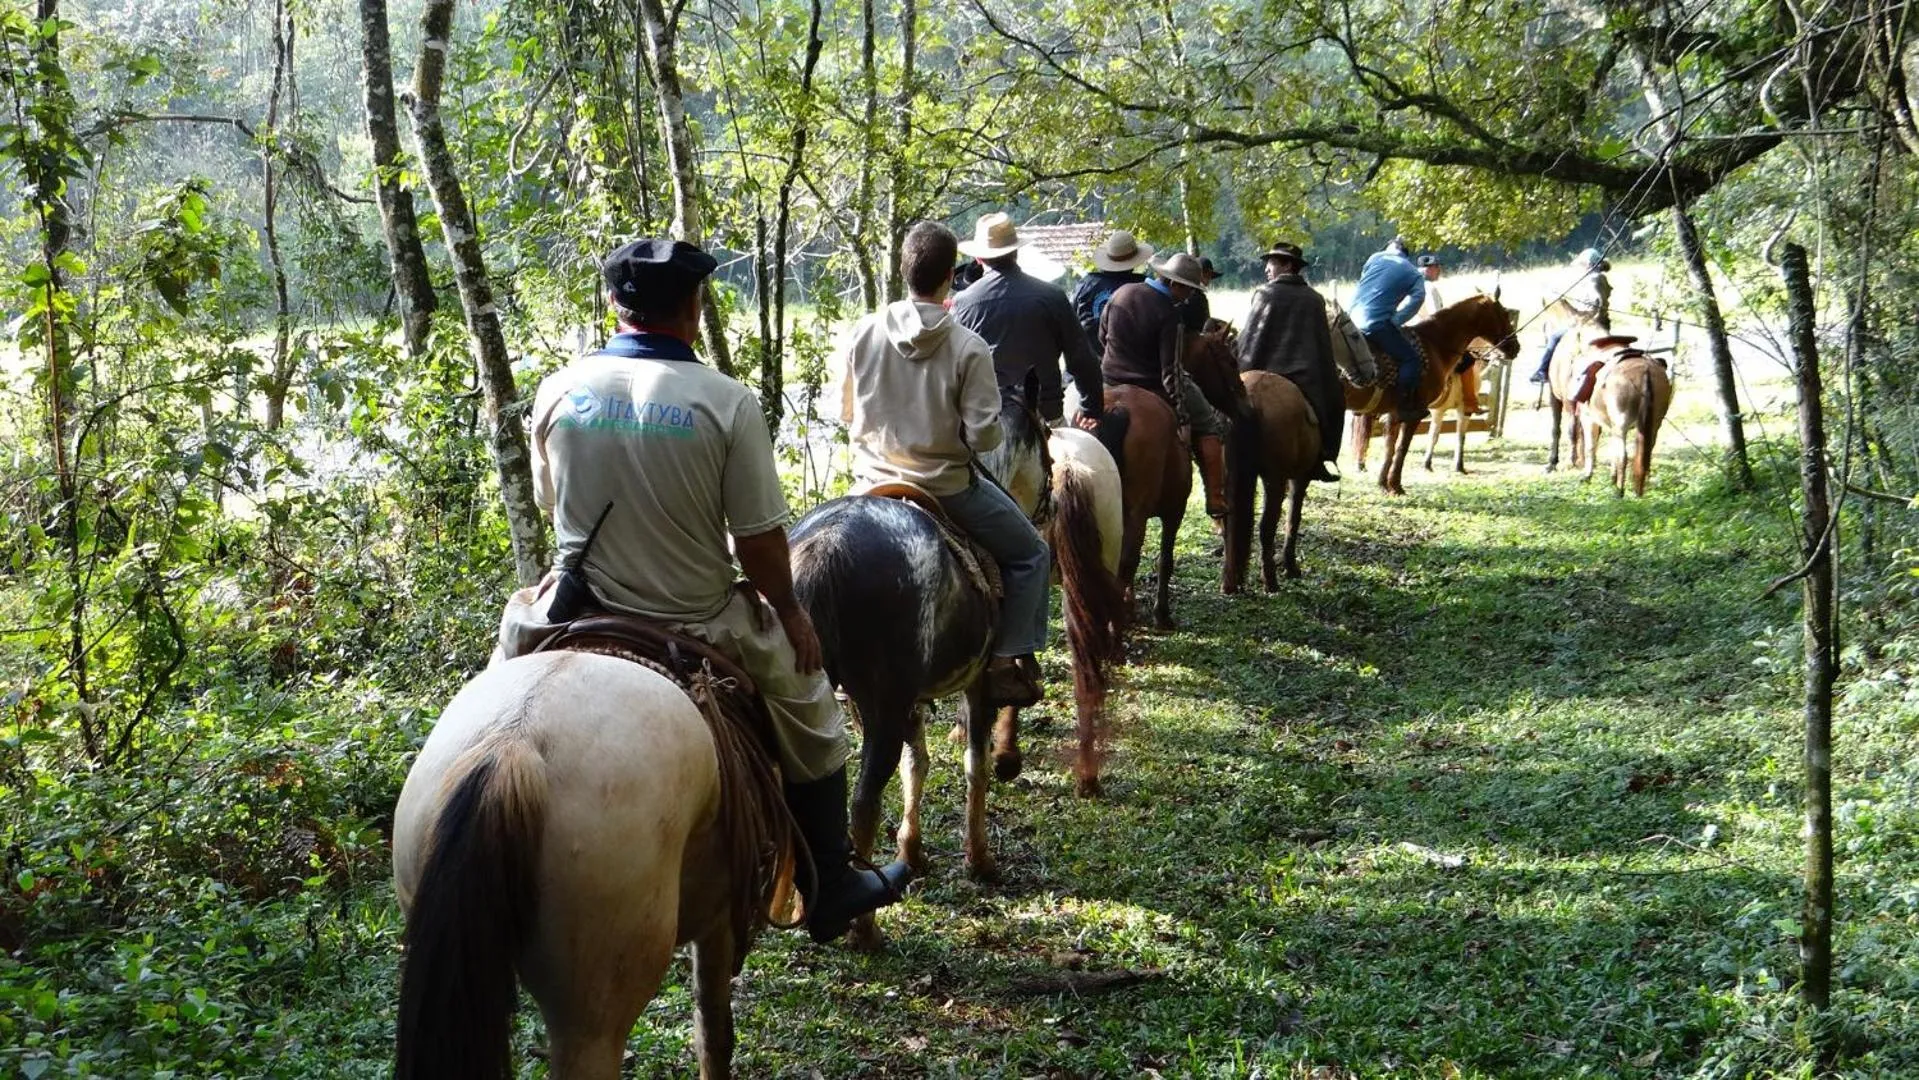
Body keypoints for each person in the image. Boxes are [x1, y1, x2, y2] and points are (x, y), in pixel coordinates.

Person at [504, 238, 911, 944]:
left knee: (503, 680)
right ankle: (830, 880)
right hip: (696, 614)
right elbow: (756, 539)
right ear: (695, 308)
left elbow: (551, 501)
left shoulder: (558, 389)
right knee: (813, 711)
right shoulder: (725, 401)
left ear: (614, 306)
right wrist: (787, 611)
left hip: (581, 606)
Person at [840, 221, 1050, 708]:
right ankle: (1005, 659)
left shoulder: (864, 331)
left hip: (870, 481)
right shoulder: (968, 347)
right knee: (1031, 555)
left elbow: (845, 412)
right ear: (950, 276)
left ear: (903, 269)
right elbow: (983, 435)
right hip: (947, 486)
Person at [1101, 251, 1230, 522]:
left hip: (1108, 381)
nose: (1190, 296)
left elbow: (1103, 336)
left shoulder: (1122, 292)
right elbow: (1170, 370)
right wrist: (1182, 415)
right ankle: (1215, 496)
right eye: (1189, 290)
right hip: (1151, 385)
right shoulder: (1168, 313)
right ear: (1175, 284)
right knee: (1208, 422)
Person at [951, 212, 1103, 430]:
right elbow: (1081, 358)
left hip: (984, 419)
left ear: (979, 258)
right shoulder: (1053, 296)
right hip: (1045, 415)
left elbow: (953, 368)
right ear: (1016, 253)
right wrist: (1092, 408)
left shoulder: (962, 303)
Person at [1237, 241, 1341, 482]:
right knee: (1335, 400)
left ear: (1287, 265)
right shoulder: (1315, 299)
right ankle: (1323, 456)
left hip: (1260, 367)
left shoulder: (1263, 294)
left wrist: (1240, 365)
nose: (1266, 269)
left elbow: (1251, 340)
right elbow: (1320, 348)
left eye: (1271, 263)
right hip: (1305, 377)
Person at [1350, 236, 1429, 419]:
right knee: (1411, 360)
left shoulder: (1375, 258)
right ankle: (1403, 406)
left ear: (1389, 248)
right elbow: (1417, 299)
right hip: (1375, 323)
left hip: (1351, 319)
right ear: (1406, 254)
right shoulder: (1413, 273)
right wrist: (1397, 319)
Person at [1529, 247, 1613, 383]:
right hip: (1601, 323)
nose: (1580, 268)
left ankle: (1542, 371)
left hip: (1590, 324)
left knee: (1555, 337)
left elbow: (1594, 304)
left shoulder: (1594, 279)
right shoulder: (1597, 278)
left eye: (1582, 265)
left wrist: (1576, 314)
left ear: (1588, 265)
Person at [1071, 229, 1154, 357]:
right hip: (1128, 364)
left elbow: (1072, 322)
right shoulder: (1143, 287)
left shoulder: (1086, 284)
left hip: (1089, 361)